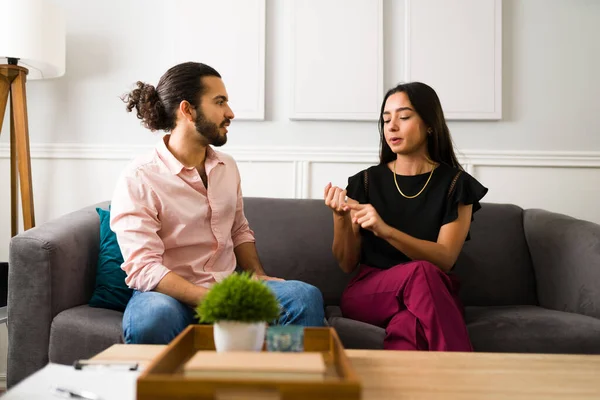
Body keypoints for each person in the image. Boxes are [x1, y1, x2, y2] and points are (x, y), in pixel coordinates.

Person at [111, 62, 325, 344]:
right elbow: (143, 268)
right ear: (187, 110)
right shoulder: (139, 177)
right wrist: (214, 300)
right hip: (165, 295)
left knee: (304, 297)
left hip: (227, 285)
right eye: (220, 102)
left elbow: (239, 229)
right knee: (153, 319)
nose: (230, 113)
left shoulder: (227, 166)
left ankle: (280, 380)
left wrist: (256, 275)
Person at [324, 82, 488, 351]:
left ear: (430, 123)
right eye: (386, 119)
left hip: (432, 293)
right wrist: (339, 219)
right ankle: (465, 375)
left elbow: (445, 259)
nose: (392, 126)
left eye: (403, 117)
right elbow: (346, 263)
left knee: (409, 326)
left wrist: (385, 229)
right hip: (370, 291)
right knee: (421, 272)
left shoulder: (456, 185)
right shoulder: (365, 182)